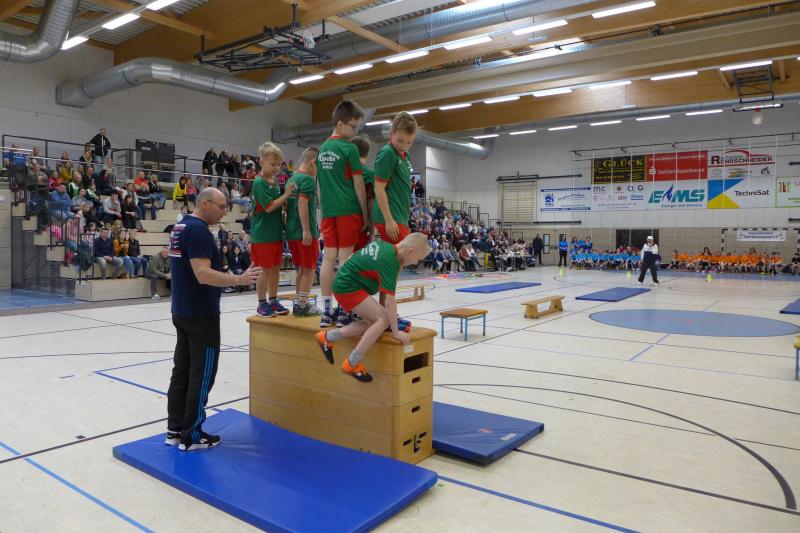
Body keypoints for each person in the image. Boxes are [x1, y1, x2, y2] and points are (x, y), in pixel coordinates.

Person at [166, 187, 261, 451]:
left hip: (182, 310)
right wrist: (239, 279)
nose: (224, 211)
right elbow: (203, 274)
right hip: (201, 313)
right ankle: (192, 435)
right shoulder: (198, 231)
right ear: (205, 204)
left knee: (182, 371)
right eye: (221, 206)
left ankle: (175, 430)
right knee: (202, 374)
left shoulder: (181, 227)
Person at [315, 234, 430, 382]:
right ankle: (352, 362)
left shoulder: (384, 246)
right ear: (410, 251)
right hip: (347, 286)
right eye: (418, 259)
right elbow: (389, 302)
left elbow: (354, 257)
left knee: (373, 324)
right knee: (383, 320)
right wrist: (396, 333)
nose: (416, 262)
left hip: (346, 282)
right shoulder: (391, 262)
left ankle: (327, 337)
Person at [317, 100, 367, 328]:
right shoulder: (350, 149)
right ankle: (345, 309)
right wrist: (365, 213)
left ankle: (327, 311)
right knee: (345, 259)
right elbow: (358, 184)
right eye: (353, 127)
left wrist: (323, 211)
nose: (355, 132)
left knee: (328, 259)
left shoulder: (323, 150)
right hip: (348, 210)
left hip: (329, 212)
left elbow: (319, 186)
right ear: (340, 124)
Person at [371, 112, 418, 330]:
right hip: (389, 219)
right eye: (400, 140)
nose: (404, 145)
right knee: (391, 268)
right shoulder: (387, 154)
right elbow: (379, 188)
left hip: (400, 217)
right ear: (391, 133)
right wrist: (389, 220)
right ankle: (388, 315)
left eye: (409, 142)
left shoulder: (404, 156)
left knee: (394, 269)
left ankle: (386, 313)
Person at [251, 142, 296, 317]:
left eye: (279, 164)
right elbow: (269, 207)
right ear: (261, 162)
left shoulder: (275, 181)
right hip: (263, 235)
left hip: (276, 233)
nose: (277, 168)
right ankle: (262, 303)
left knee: (276, 269)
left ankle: (274, 300)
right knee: (265, 270)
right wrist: (286, 195)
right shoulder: (259, 182)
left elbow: (278, 204)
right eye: (273, 164)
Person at [285, 147, 322, 316]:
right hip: (304, 232)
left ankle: (299, 304)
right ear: (313, 163)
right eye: (318, 167)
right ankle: (303, 304)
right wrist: (307, 230)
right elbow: (302, 203)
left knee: (301, 268)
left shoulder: (291, 180)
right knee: (309, 268)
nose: (318, 171)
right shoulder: (307, 180)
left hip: (292, 231)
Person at [350, 135, 374, 252]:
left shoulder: (341, 172)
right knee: (357, 258)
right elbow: (371, 204)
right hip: (359, 222)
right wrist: (372, 231)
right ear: (367, 154)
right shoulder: (370, 174)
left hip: (338, 217)